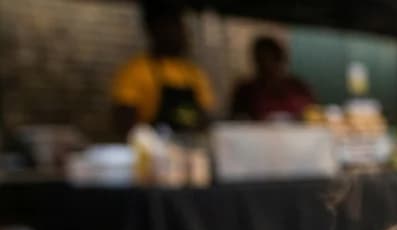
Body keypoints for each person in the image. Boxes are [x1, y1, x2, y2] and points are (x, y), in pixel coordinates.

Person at [110, 0, 215, 136]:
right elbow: (124, 122)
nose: (182, 33)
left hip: (187, 150)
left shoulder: (193, 72)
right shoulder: (135, 71)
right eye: (174, 25)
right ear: (154, 29)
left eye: (181, 26)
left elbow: (204, 117)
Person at [229, 36, 314, 121]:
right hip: (256, 132)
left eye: (271, 59)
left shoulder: (297, 87)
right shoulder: (246, 90)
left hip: (297, 133)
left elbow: (311, 112)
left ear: (280, 59)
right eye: (261, 60)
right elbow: (236, 118)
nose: (266, 66)